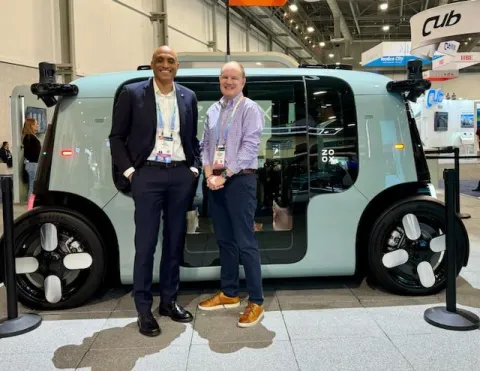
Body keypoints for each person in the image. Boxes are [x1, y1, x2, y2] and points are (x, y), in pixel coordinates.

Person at [109, 45, 200, 337]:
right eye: (160, 60)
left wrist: (194, 168)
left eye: (170, 60)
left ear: (177, 66)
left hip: (179, 174)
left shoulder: (188, 97)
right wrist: (131, 173)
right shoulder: (133, 94)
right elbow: (116, 137)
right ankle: (144, 308)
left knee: (175, 242)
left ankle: (169, 301)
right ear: (151, 64)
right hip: (146, 175)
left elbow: (191, 138)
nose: (165, 64)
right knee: (146, 244)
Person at [197, 61, 265, 328]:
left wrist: (223, 176)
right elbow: (205, 145)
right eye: (224, 77)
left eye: (234, 77)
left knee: (246, 242)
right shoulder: (213, 110)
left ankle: (256, 301)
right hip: (215, 180)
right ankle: (229, 293)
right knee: (225, 240)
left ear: (243, 81)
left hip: (240, 180)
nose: (229, 81)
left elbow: (250, 148)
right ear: (220, 80)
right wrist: (208, 174)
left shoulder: (250, 109)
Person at [22, 119, 41, 198]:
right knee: (32, 186)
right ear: (31, 126)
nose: (38, 125)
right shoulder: (30, 138)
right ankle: (30, 205)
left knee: (32, 186)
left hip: (31, 164)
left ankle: (31, 205)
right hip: (32, 164)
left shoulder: (29, 137)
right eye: (36, 124)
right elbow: (34, 153)